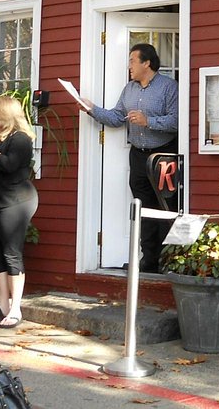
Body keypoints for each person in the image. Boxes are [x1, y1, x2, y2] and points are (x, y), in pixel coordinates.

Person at [80, 43, 178, 273]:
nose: (129, 66)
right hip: (138, 157)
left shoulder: (168, 87)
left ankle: (168, 261)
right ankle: (148, 261)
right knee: (142, 208)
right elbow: (116, 117)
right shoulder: (129, 89)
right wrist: (91, 108)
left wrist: (149, 121)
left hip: (163, 155)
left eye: (133, 61)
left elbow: (176, 121)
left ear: (147, 63)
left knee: (166, 208)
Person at [0, 94, 39, 328]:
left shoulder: (21, 139)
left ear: (5, 114)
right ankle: (3, 303)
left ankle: (16, 307)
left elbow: (7, 164)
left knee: (11, 253)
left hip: (15, 201)